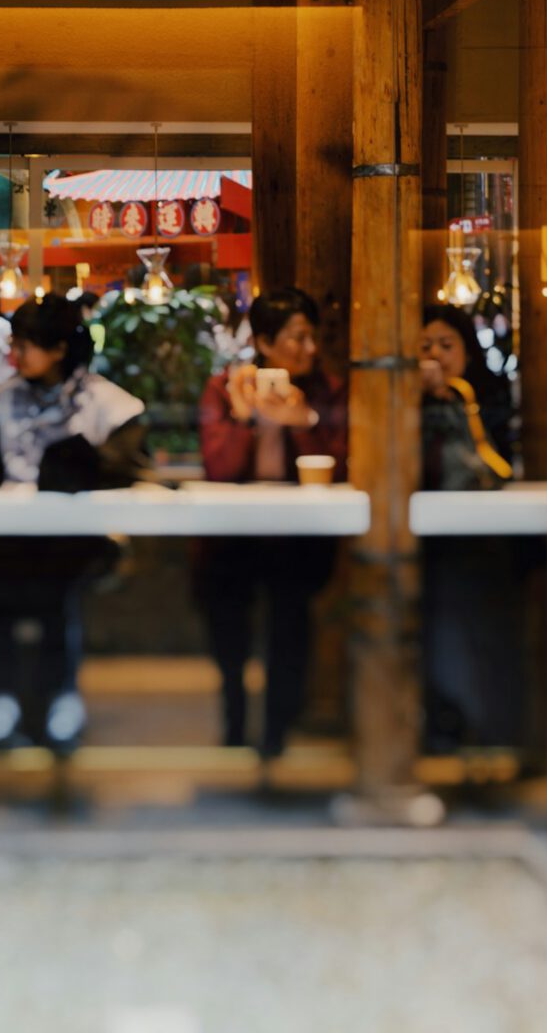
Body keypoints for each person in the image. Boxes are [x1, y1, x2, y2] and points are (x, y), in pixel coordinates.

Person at [0, 294, 147, 752]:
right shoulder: (1, 401)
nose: (16, 354)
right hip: (11, 533)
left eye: (26, 344)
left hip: (77, 536)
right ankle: (1, 699)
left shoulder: (105, 402)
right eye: (14, 344)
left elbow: (127, 463)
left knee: (59, 594)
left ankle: (61, 699)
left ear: (58, 348)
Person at [195, 285, 347, 762]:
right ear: (263, 342)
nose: (310, 349)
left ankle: (277, 732)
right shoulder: (226, 388)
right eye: (298, 338)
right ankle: (235, 722)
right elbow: (219, 468)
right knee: (229, 630)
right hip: (233, 533)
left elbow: (345, 462)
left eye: (312, 337)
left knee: (290, 628)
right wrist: (244, 419)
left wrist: (306, 421)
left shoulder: (326, 391)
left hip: (298, 534)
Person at [417, 310, 526, 758]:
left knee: (481, 634)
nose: (436, 356)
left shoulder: (486, 396)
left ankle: (490, 733)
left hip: (482, 534)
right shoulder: (402, 399)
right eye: (424, 347)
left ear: (466, 351)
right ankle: (440, 729)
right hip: (423, 535)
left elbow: (501, 466)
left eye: (446, 345)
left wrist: (459, 403)